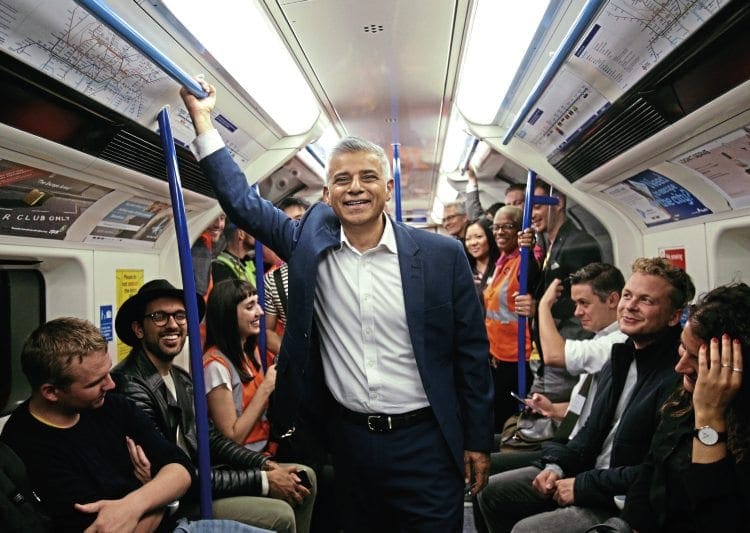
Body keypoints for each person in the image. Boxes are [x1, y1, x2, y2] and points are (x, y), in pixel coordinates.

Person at [181, 79, 493, 532]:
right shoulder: (307, 248)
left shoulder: (442, 257)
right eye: (342, 179)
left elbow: (472, 354)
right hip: (349, 442)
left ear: (388, 188)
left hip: (427, 440)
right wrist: (204, 121)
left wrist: (478, 440)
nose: (355, 188)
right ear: (327, 194)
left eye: (367, 177)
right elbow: (243, 204)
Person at [478, 257, 695, 533]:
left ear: (674, 316)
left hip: (623, 498)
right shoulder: (621, 357)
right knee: (492, 492)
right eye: (628, 296)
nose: (629, 306)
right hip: (590, 475)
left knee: (528, 529)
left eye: (646, 301)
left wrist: (583, 486)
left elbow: (655, 471)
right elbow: (590, 430)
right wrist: (556, 467)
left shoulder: (677, 375)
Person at [112, 279, 316, 533]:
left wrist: (263, 465)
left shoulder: (180, 378)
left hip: (201, 477)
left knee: (306, 477)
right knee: (280, 515)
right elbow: (173, 473)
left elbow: (210, 439)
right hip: (177, 498)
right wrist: (262, 481)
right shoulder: (131, 386)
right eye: (159, 317)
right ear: (138, 329)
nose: (173, 325)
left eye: (179, 315)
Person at [0, 317, 194, 531]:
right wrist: (161, 497)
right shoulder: (27, 446)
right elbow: (106, 528)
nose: (110, 384)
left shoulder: (111, 405)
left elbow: (181, 468)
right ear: (51, 392)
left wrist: (135, 504)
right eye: (95, 382)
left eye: (107, 373)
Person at [620, 282, 750, 532]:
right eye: (683, 348)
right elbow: (651, 471)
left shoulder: (718, 413)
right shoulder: (680, 398)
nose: (680, 366)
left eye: (695, 358)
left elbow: (717, 519)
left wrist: (710, 417)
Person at [518, 180, 603, 403]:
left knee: (547, 417)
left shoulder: (578, 244)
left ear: (558, 202)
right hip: (547, 348)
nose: (531, 215)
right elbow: (535, 287)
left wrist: (539, 307)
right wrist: (525, 252)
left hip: (566, 349)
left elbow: (583, 302)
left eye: (537, 207)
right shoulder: (550, 245)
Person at [524, 263, 628, 439]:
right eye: (576, 304)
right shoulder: (599, 338)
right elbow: (587, 407)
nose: (577, 312)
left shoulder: (618, 343)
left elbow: (554, 355)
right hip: (572, 439)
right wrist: (553, 409)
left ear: (612, 300)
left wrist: (543, 307)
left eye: (584, 303)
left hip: (582, 450)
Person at [484, 206, 539, 430]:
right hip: (500, 353)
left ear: (519, 231)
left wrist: (530, 244)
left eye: (507, 226)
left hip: (519, 355)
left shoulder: (524, 260)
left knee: (506, 417)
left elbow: (534, 279)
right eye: (496, 227)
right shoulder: (502, 262)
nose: (499, 232)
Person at [204, 279, 274, 453]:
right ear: (228, 315)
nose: (260, 312)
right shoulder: (215, 366)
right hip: (244, 460)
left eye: (257, 304)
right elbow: (233, 438)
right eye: (250, 307)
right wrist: (266, 388)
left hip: (265, 449)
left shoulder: (250, 352)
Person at [264, 197, 311, 357]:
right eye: (287, 224)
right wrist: (293, 355)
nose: (294, 228)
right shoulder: (272, 281)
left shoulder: (333, 261)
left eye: (299, 220)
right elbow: (267, 332)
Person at [465, 217, 501, 303]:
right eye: (468, 239)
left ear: (490, 237)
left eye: (478, 237)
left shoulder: (502, 267)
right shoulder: (464, 271)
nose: (473, 243)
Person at [192, 213, 227, 300]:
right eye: (213, 217)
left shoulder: (213, 247)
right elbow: (199, 293)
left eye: (222, 218)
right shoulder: (199, 248)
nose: (218, 224)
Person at [212, 222, 257, 287]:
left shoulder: (245, 261)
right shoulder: (221, 268)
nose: (258, 235)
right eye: (252, 230)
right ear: (241, 234)